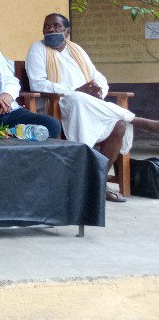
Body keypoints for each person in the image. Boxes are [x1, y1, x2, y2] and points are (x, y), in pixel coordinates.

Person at [26, 13, 159, 202]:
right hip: (58, 105)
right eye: (47, 26)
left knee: (119, 125)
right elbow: (37, 84)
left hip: (90, 107)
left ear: (67, 31)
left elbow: (98, 77)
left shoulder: (77, 50)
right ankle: (138, 120)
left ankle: (99, 181)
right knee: (77, 98)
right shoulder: (37, 49)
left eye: (56, 26)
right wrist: (74, 90)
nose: (50, 29)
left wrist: (99, 92)